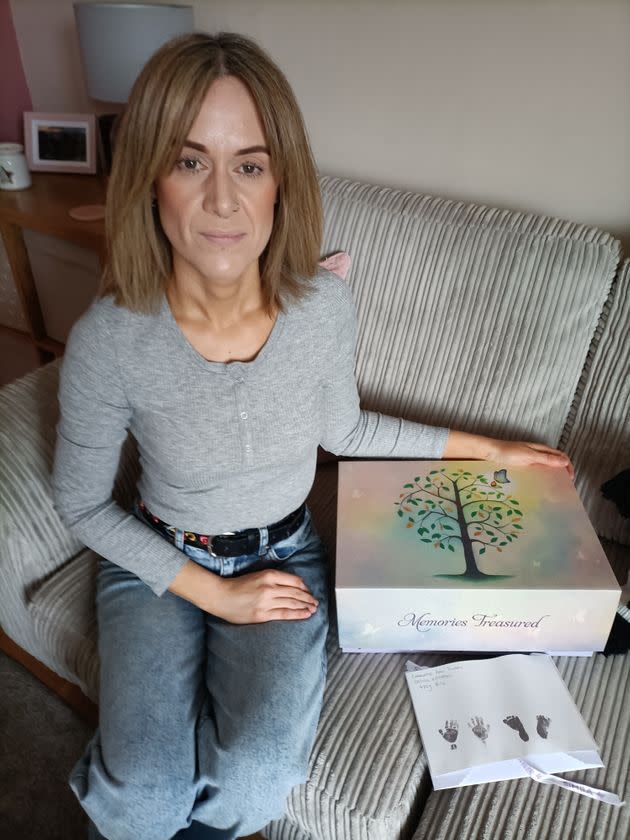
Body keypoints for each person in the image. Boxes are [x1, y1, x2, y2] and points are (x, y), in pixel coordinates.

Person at [52, 32, 574, 840]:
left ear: (279, 184)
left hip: (284, 554)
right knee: (144, 796)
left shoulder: (322, 307)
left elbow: (345, 428)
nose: (224, 199)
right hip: (158, 561)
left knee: (258, 781)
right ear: (149, 179)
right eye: (190, 162)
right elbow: (83, 506)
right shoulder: (110, 339)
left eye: (250, 165)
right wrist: (215, 592)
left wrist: (492, 450)